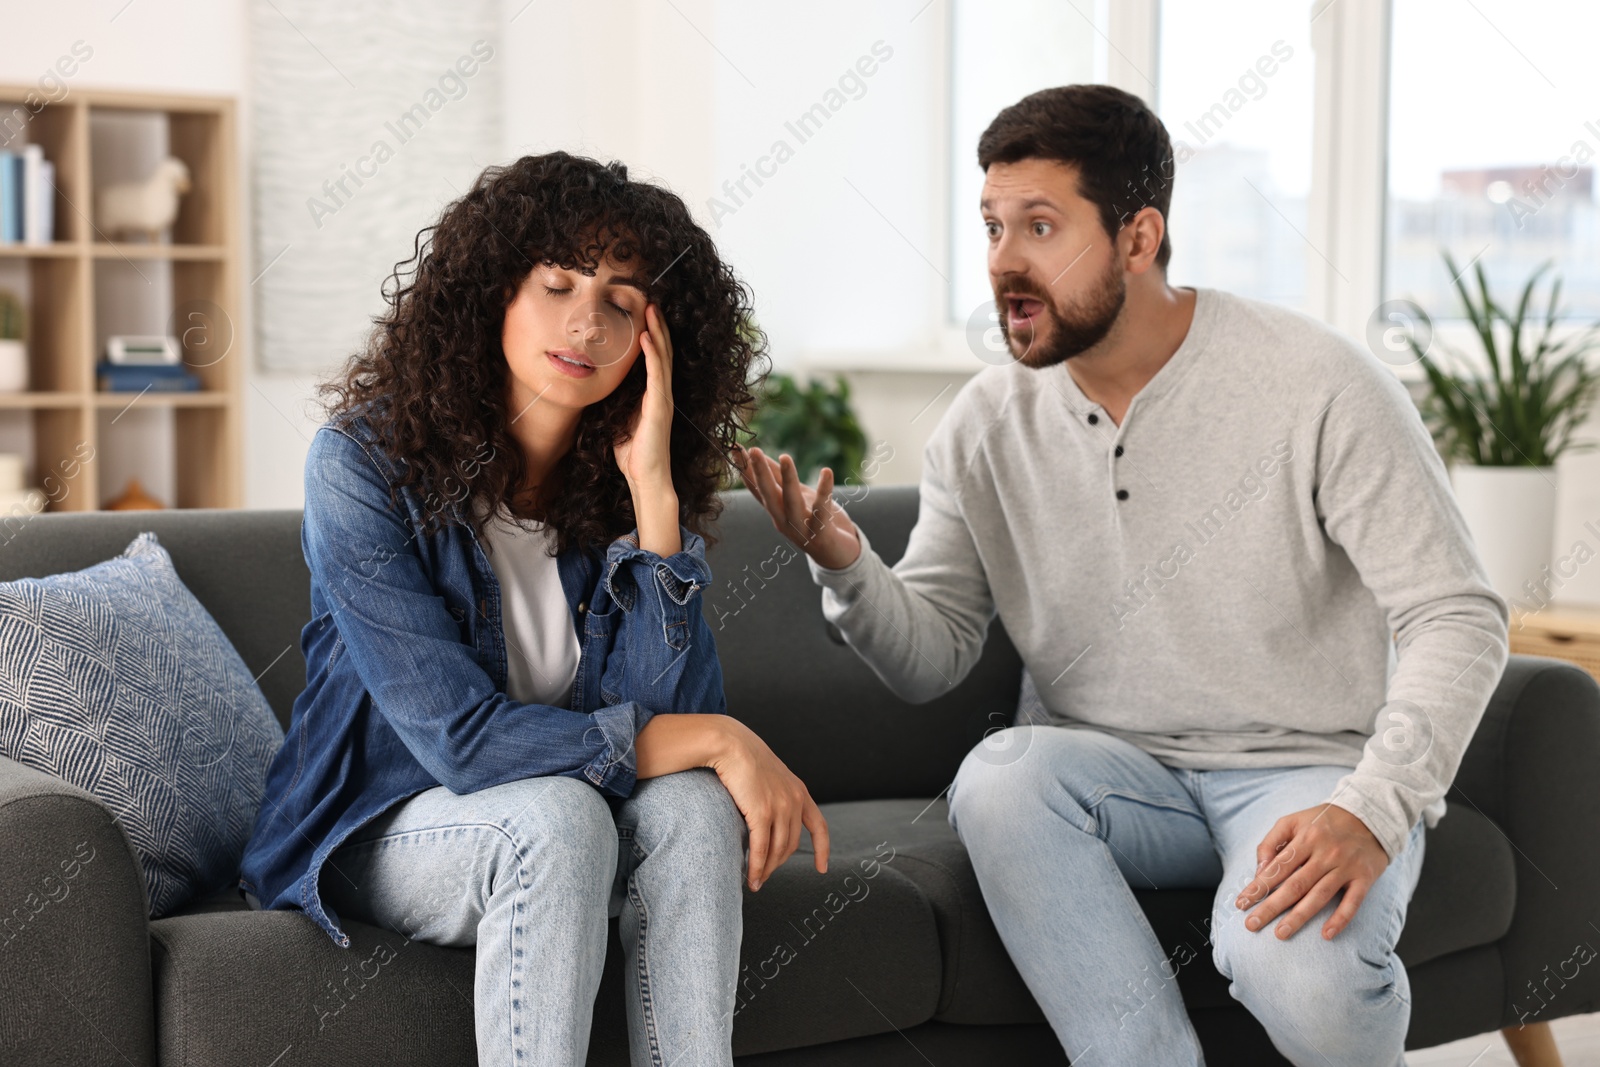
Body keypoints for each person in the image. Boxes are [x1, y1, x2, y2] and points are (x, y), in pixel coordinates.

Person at [734, 85, 1508, 1066]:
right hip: (1107, 773)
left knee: (1300, 971)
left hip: (1303, 767)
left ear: (1138, 237)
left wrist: (1374, 803)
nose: (1003, 263)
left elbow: (1457, 614)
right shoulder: (984, 421)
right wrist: (847, 566)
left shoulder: (1317, 384)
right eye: (992, 226)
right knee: (1001, 775)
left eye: (1042, 227)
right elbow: (932, 655)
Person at [239, 151, 829, 1067]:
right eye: (557, 284)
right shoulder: (361, 466)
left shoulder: (618, 494)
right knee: (560, 817)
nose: (586, 322)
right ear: (494, 294)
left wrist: (656, 510)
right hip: (382, 822)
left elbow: (666, 727)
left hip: (570, 815)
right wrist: (723, 738)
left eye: (623, 304)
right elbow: (464, 743)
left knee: (693, 814)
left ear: (655, 343)